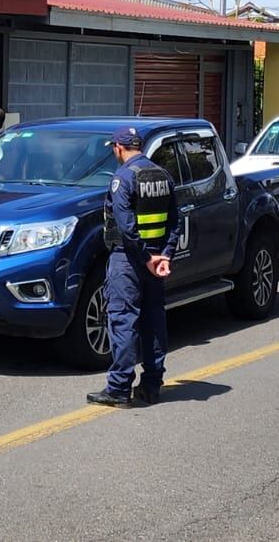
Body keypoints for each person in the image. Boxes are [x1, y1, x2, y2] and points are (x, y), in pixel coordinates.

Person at [88, 126, 179, 409]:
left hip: (128, 260)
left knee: (123, 321)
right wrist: (164, 255)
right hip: (155, 261)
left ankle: (118, 388)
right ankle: (152, 386)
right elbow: (174, 222)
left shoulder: (123, 177)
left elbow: (127, 228)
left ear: (118, 148)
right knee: (153, 321)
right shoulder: (163, 175)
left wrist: (146, 258)